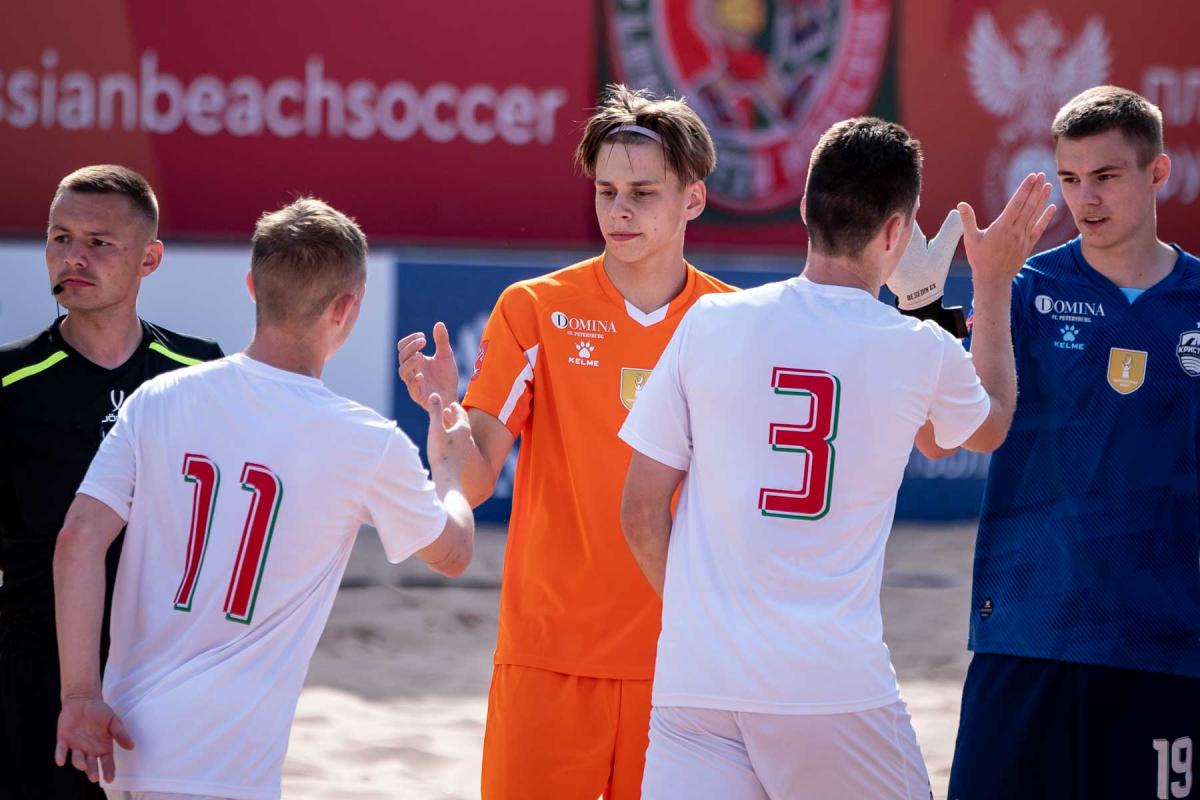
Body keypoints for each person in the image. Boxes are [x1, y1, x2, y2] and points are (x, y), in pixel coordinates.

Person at [618, 117, 1055, 799]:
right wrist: (989, 283)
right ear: (895, 232)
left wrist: (710, 625)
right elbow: (983, 426)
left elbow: (641, 513)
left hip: (695, 684)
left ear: (805, 208)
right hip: (827, 685)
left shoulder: (708, 321)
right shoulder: (917, 347)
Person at [52, 197, 476, 799]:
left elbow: (78, 540)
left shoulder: (157, 399)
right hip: (226, 765)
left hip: (124, 747)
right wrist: (448, 465)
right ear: (346, 307)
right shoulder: (367, 441)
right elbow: (453, 552)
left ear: (252, 287)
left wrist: (79, 696)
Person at [396, 84, 734, 798]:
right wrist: (446, 425)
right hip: (548, 656)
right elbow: (477, 474)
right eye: (606, 191)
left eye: (643, 192)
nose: (619, 210)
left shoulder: (736, 323)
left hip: (684, 660)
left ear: (694, 200)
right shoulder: (535, 309)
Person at [942, 86, 1200, 799]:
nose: (1085, 198)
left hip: (1164, 644)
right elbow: (956, 427)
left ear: (1157, 172)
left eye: (1106, 176)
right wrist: (958, 297)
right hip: (1028, 633)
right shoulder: (1023, 289)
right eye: (1070, 178)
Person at [0, 165, 223, 799]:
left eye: (99, 242)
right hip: (37, 674)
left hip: (171, 669)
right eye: (60, 238)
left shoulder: (201, 371)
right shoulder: (9, 383)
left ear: (149, 259)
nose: (74, 257)